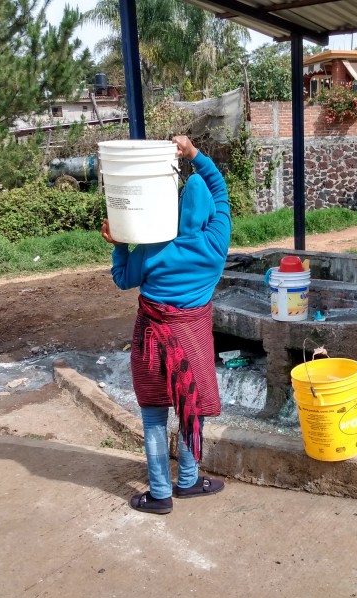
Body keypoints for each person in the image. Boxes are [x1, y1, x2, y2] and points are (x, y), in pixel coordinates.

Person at [101, 135, 231, 514]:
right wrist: (194, 155)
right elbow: (220, 190)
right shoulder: (216, 242)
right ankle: (188, 481)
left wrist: (119, 242)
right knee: (191, 407)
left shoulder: (155, 245)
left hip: (151, 341)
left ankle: (161, 494)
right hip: (191, 342)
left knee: (155, 415)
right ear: (208, 214)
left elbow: (123, 279)